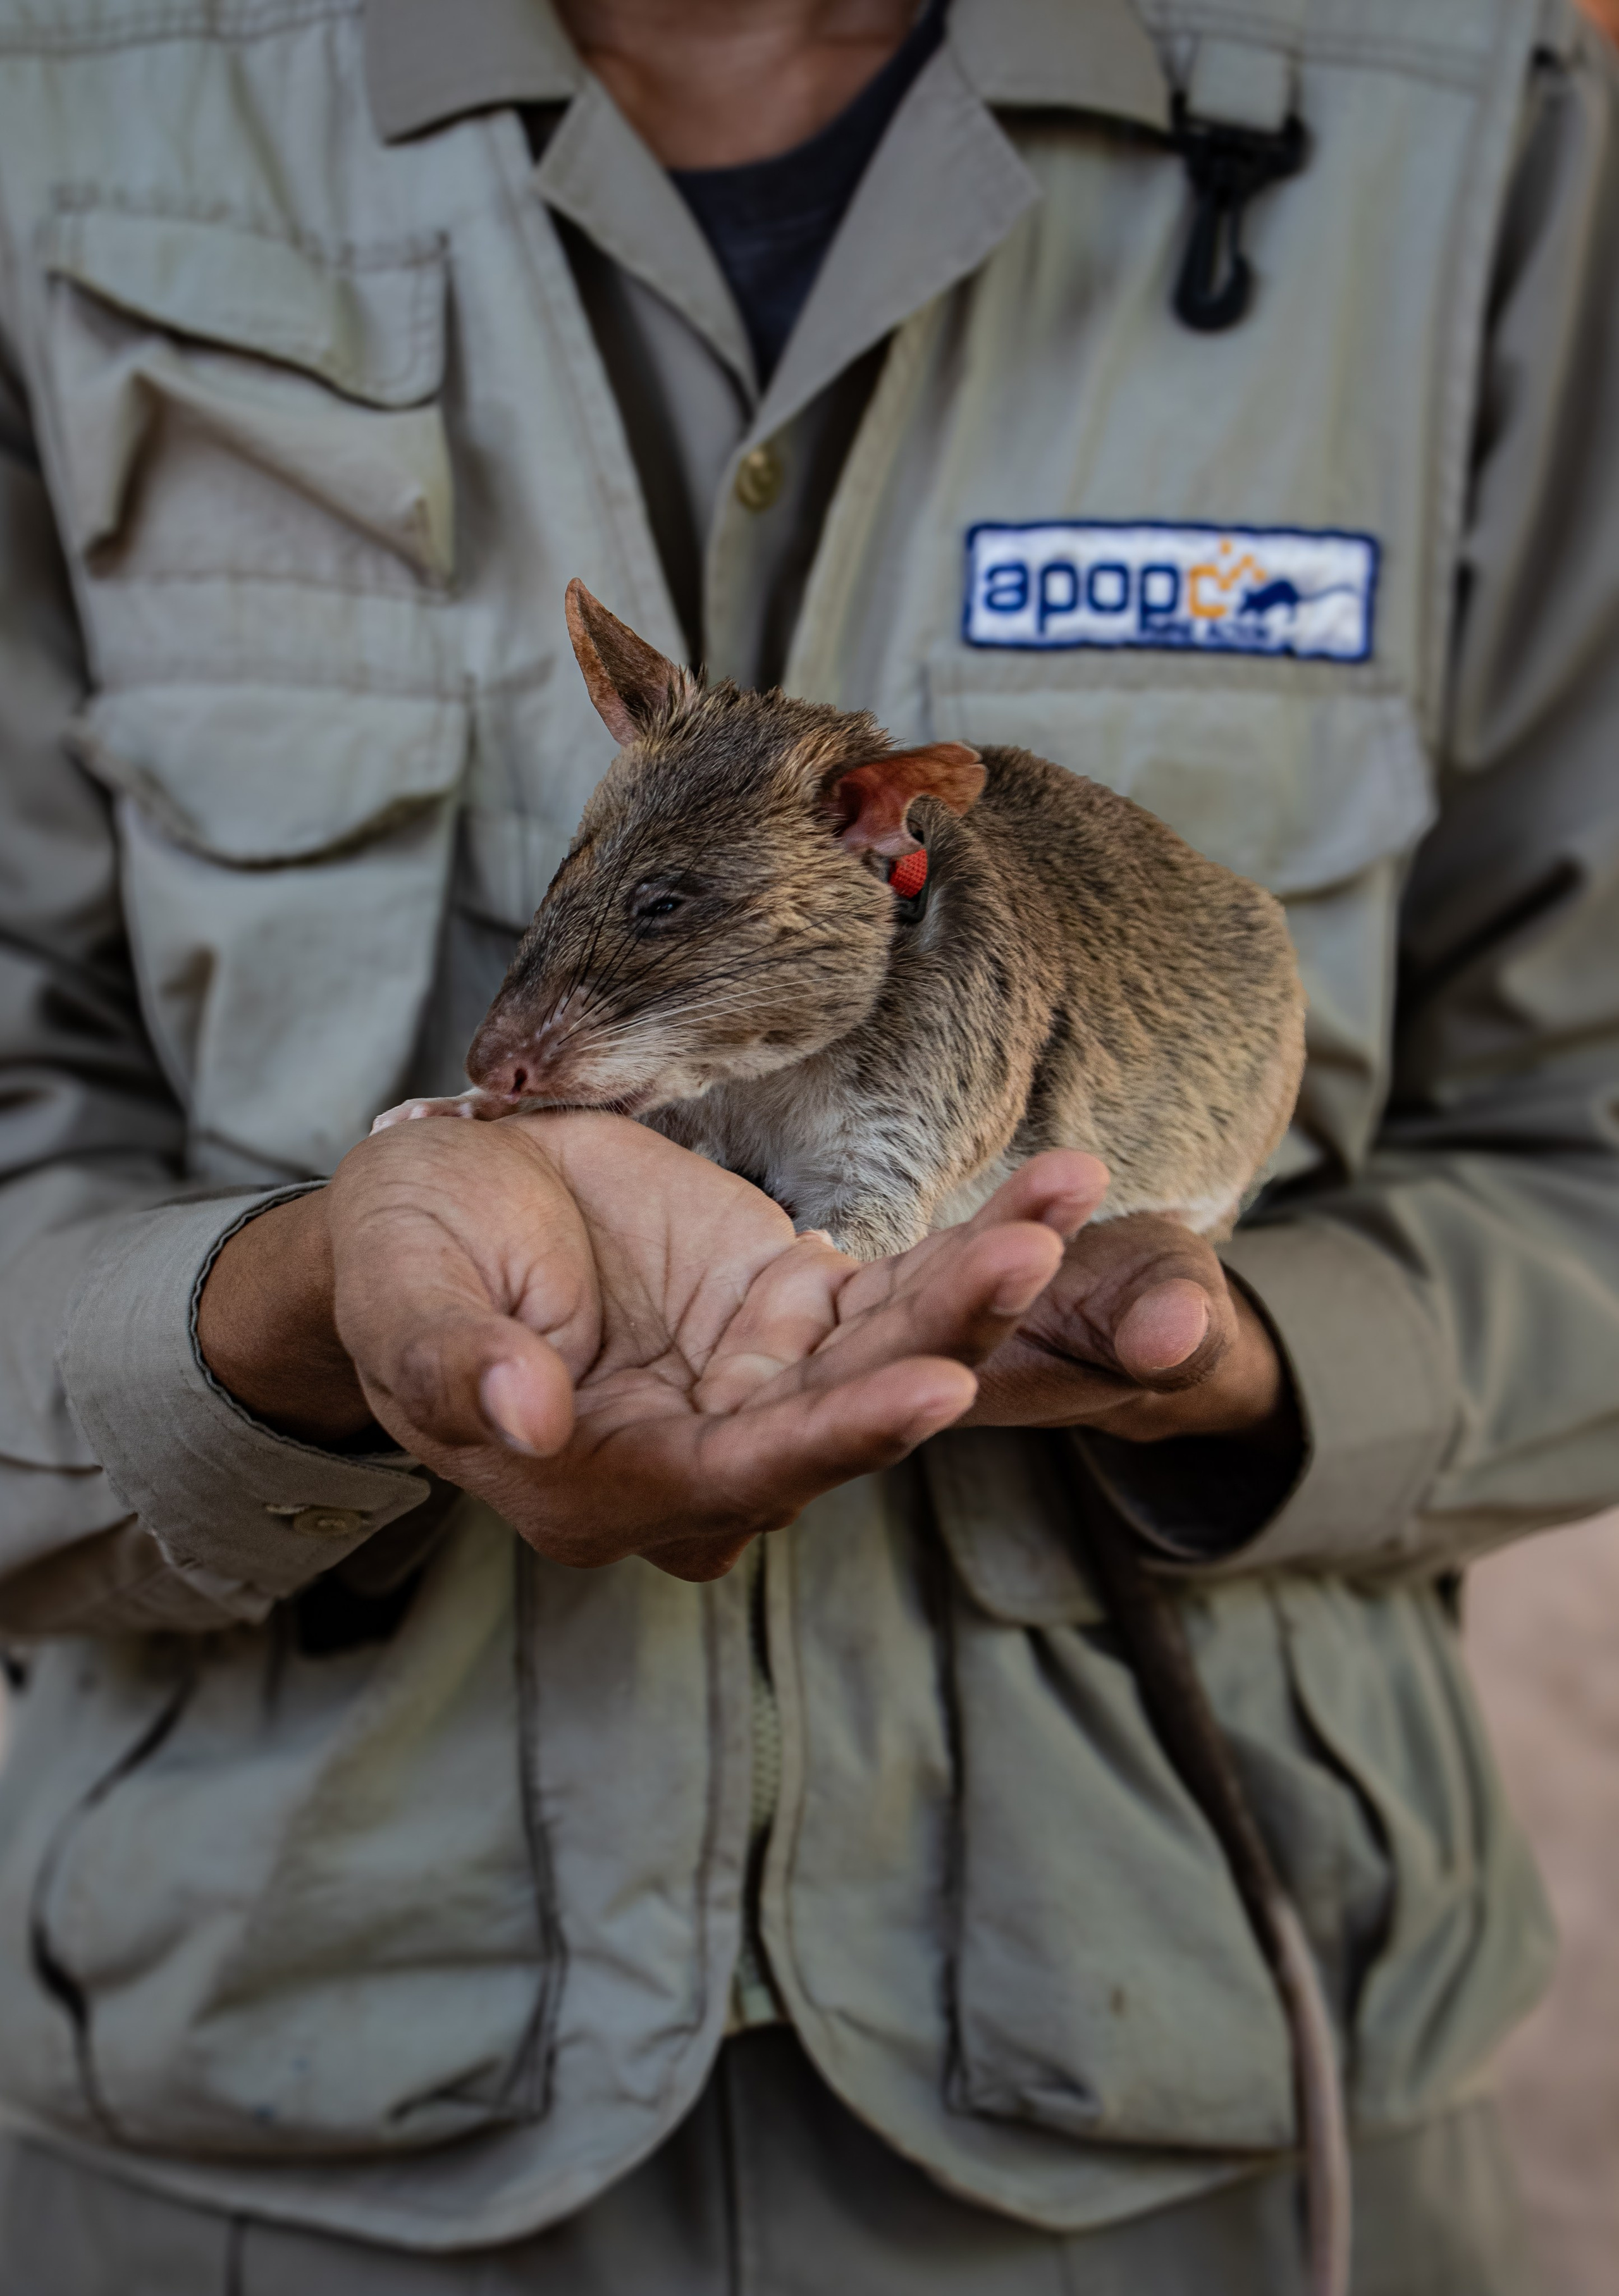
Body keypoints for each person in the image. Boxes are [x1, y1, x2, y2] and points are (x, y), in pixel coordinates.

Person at [0, 0, 1616, 2288]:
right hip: (254, 2117)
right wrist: (279, 1317)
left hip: (1200, 2114)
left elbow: (1588, 1146)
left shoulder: (1463, 116)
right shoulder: (65, 87)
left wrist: (1254, 1376)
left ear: (886, 838)